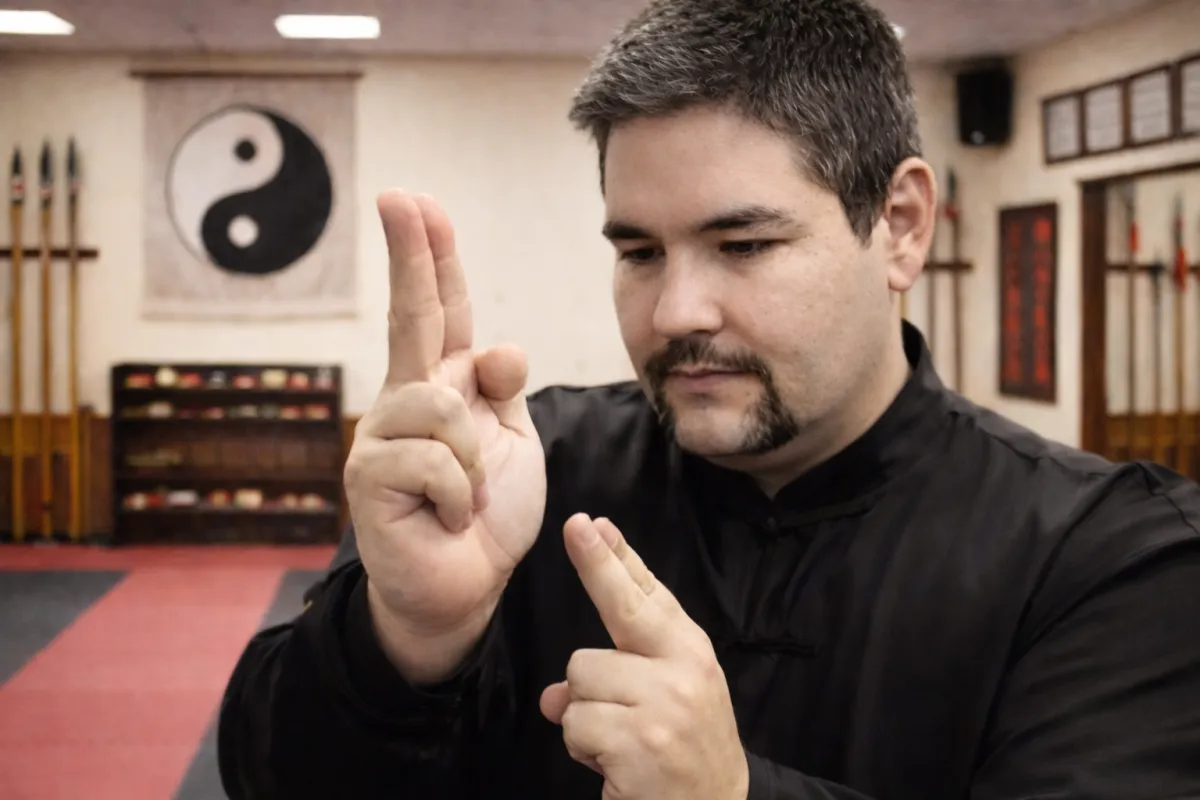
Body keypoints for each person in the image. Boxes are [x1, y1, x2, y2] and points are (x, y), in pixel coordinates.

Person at [216, 0, 1200, 797]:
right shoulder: (524, 469)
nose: (678, 309)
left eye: (744, 246)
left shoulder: (1106, 555)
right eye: (639, 251)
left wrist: (730, 793)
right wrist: (403, 636)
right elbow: (275, 774)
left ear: (898, 226)